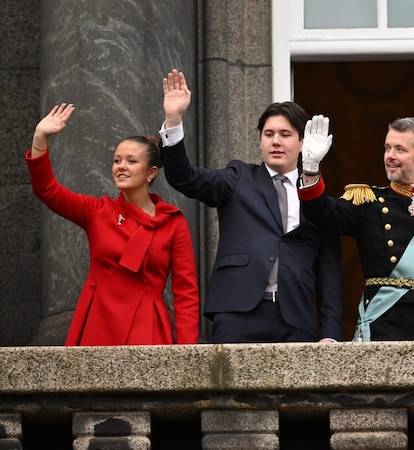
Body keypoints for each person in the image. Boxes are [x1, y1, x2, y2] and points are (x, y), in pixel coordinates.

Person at [159, 69, 343, 343]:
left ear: (303, 141)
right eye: (268, 134)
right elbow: (184, 178)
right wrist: (174, 120)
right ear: (260, 140)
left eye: (285, 134)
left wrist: (330, 333)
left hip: (295, 317)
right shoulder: (238, 178)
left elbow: (329, 273)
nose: (276, 141)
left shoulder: (317, 198)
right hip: (237, 313)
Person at [26, 103, 200, 346]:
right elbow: (47, 191)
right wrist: (40, 138)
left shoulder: (172, 223)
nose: (121, 166)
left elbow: (186, 294)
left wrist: (187, 355)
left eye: (131, 161)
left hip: (147, 328)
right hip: (98, 324)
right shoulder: (98, 211)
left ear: (151, 173)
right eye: (117, 160)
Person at [297, 115, 414, 341]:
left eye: (400, 149)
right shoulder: (368, 202)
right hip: (384, 324)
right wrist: (311, 170)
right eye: (387, 148)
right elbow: (322, 213)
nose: (390, 156)